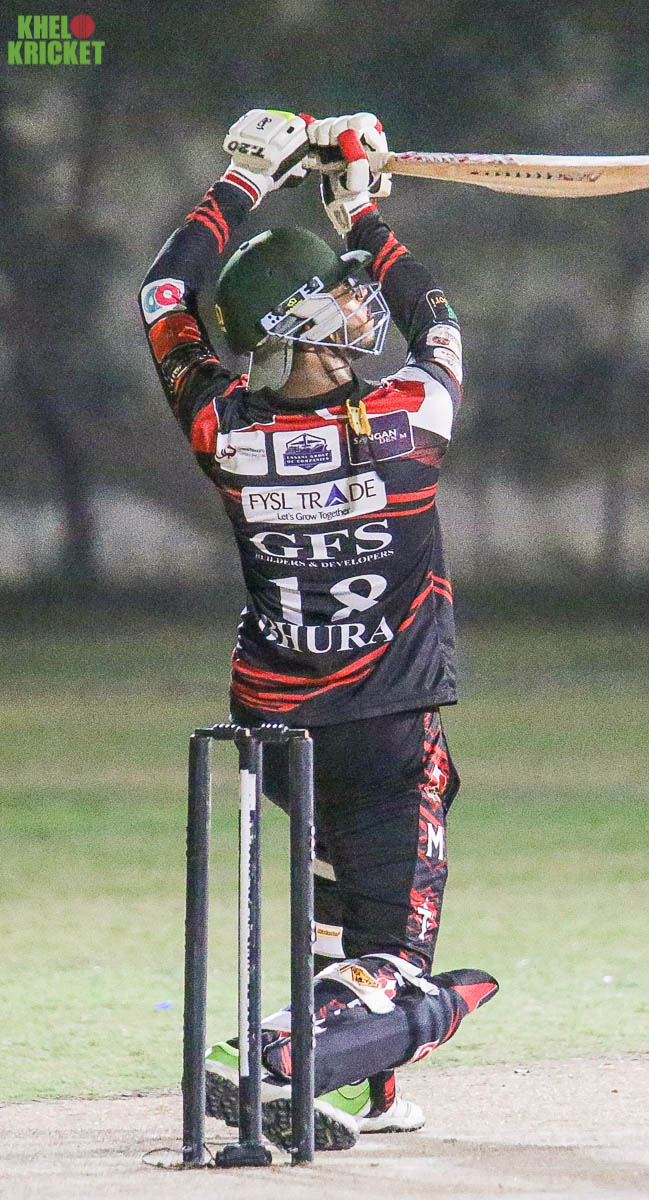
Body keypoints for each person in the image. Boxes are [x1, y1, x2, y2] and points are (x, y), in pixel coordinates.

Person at [140, 108, 497, 1152]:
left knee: (335, 897)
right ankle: (275, 1058)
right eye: (337, 299)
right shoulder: (408, 420)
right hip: (387, 730)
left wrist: (244, 177)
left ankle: (356, 1091)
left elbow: (163, 296)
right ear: (302, 326)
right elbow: (439, 320)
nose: (356, 309)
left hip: (272, 732)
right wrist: (362, 215)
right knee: (399, 965)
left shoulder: (222, 429)